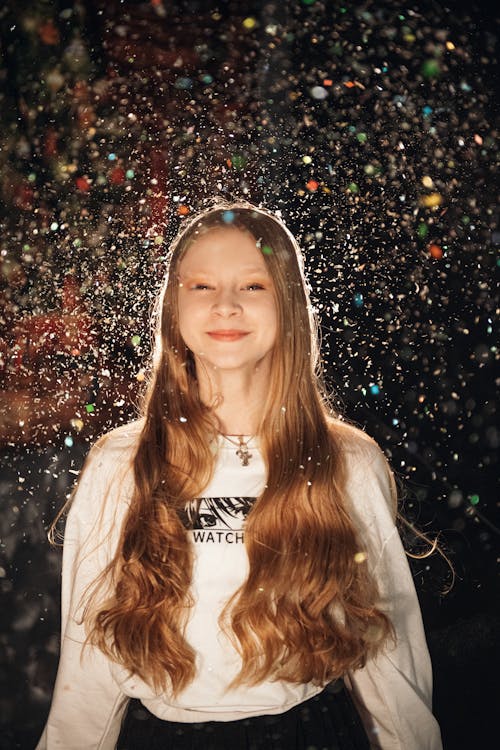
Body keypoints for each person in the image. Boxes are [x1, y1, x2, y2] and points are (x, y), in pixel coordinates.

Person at [36, 202, 443, 750]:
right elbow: (87, 666)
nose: (225, 305)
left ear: (289, 306)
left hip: (311, 735)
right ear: (173, 309)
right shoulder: (120, 464)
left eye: (253, 286)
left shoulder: (346, 461)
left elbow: (390, 654)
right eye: (202, 286)